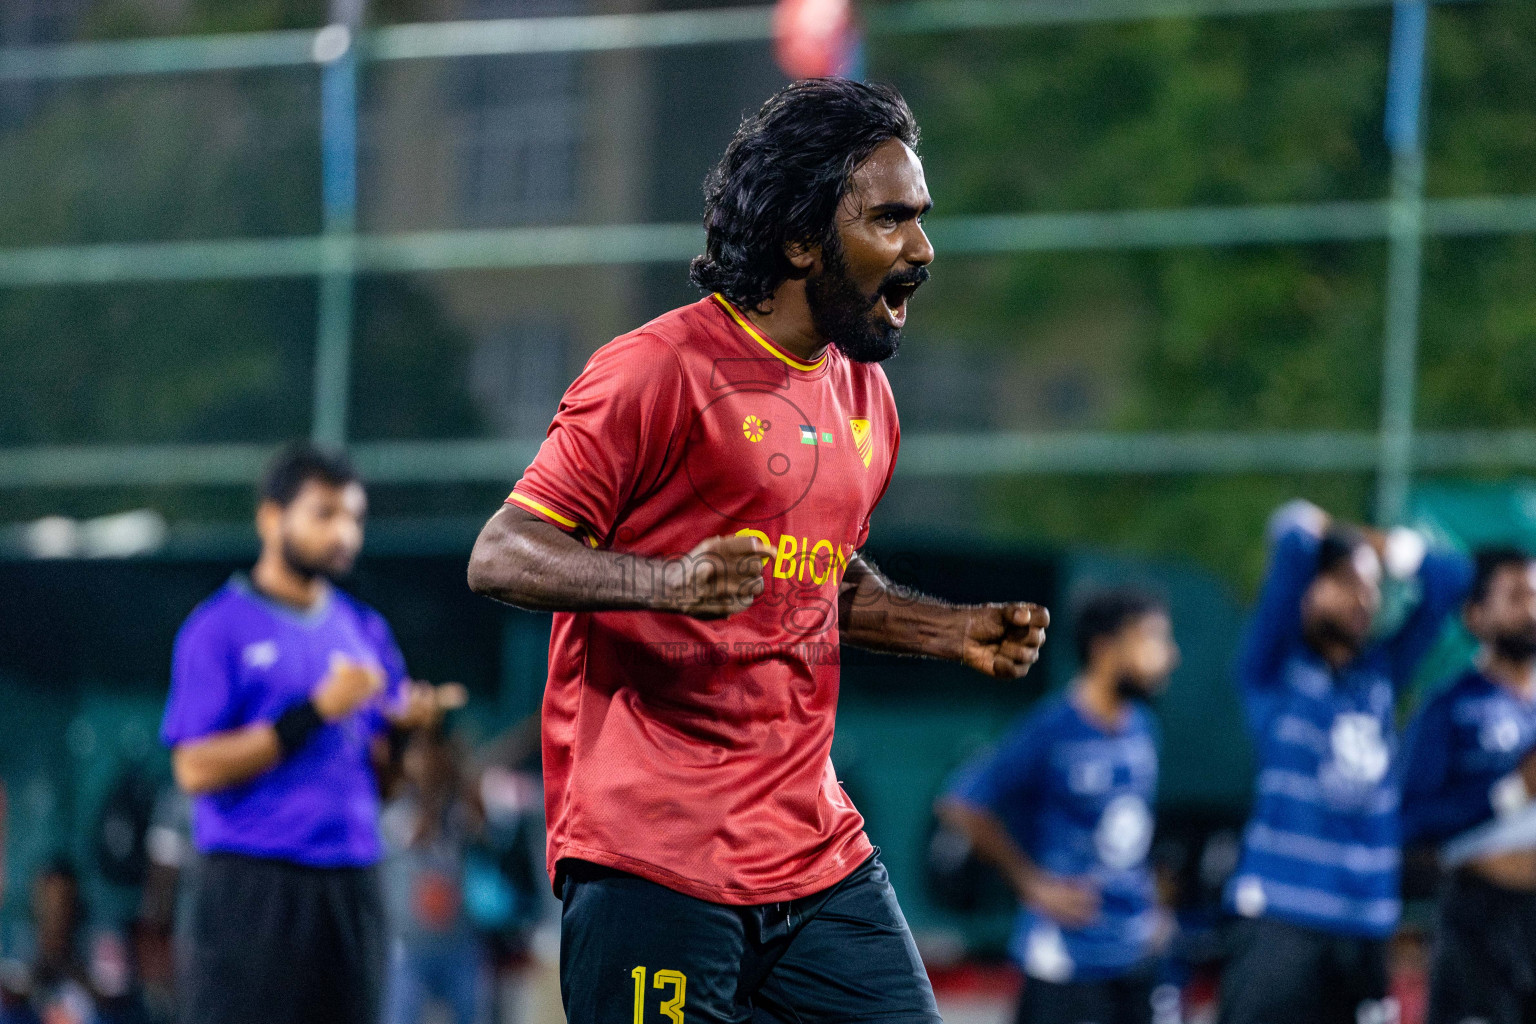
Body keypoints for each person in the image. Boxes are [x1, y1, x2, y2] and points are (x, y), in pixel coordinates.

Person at [467, 78, 1051, 1024]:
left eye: (922, 219)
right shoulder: (655, 372)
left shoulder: (866, 399)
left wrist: (941, 629)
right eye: (891, 219)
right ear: (800, 238)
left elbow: (815, 580)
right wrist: (667, 584)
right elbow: (503, 552)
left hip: (814, 854)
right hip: (654, 861)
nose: (921, 249)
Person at [160, 443, 461, 1024]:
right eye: (325, 514)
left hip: (351, 884)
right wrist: (316, 711)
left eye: (354, 517)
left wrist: (401, 736)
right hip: (255, 886)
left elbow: (387, 788)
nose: (344, 532)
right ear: (272, 518)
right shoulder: (218, 627)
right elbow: (194, 768)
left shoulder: (365, 629)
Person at [1217, 500, 1472, 1024]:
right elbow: (1290, 530)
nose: (1362, 596)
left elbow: (1452, 577)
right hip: (1282, 918)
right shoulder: (1274, 670)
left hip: (1367, 921)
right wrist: (1336, 539)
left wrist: (1376, 549)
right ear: (1309, 591)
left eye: (1371, 585)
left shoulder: (1381, 675)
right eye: (1343, 581)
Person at [937, 589, 1181, 1024]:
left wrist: (1158, 908)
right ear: (1107, 648)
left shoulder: (1144, 728)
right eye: (1152, 639)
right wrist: (1031, 884)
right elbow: (961, 804)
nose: (1169, 656)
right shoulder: (1052, 727)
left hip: (1134, 955)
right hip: (1065, 962)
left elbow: (1133, 831)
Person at [1401, 548, 1536, 1024]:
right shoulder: (1450, 707)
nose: (1532, 611)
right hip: (1484, 923)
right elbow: (1411, 820)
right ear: (1476, 615)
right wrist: (1512, 791)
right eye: (1516, 597)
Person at [381, 725, 487, 1024]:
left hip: (458, 942)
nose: (425, 761)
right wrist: (429, 795)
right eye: (417, 752)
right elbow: (415, 834)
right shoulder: (394, 804)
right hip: (407, 947)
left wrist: (463, 775)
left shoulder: (457, 804)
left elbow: (483, 830)